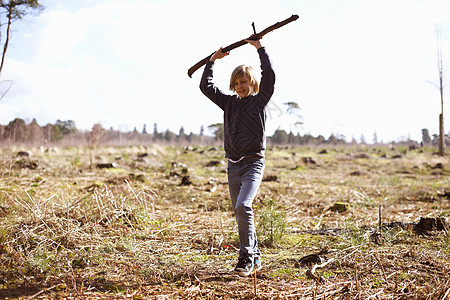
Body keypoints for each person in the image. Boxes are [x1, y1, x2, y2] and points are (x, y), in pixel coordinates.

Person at [199, 37, 275, 276]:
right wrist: (212, 61)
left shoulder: (259, 102)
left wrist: (259, 48)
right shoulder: (229, 103)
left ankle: (246, 259)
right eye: (237, 82)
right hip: (232, 166)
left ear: (252, 83)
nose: (241, 85)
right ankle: (256, 256)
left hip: (253, 163)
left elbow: (270, 75)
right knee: (240, 211)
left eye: (244, 81)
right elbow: (206, 87)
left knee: (243, 205)